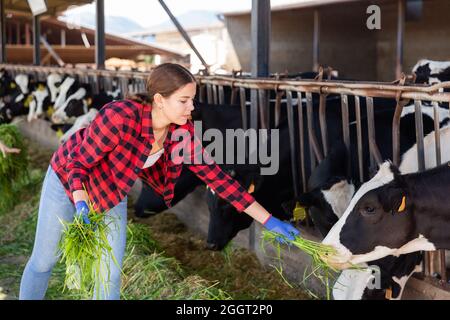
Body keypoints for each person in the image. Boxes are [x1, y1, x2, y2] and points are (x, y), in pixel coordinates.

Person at [19, 63, 300, 300]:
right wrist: (81, 204)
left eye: (193, 99)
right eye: (184, 100)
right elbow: (78, 163)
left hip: (110, 192)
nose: (192, 106)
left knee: (111, 274)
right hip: (67, 181)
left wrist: (269, 221)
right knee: (45, 261)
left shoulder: (182, 132)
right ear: (159, 100)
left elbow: (217, 178)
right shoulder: (120, 117)